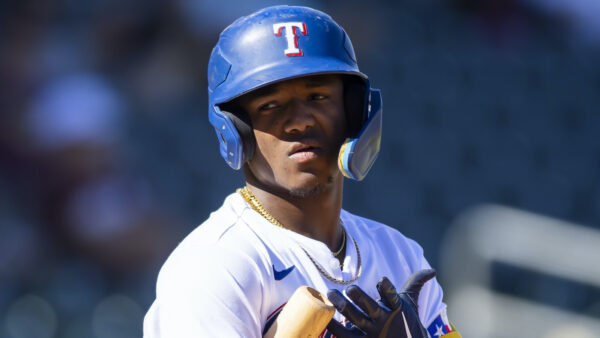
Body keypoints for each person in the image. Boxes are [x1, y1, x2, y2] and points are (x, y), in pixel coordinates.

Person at [144, 5, 460, 338]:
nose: (300, 120)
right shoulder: (215, 264)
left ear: (353, 112)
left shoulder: (400, 254)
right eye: (270, 105)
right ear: (235, 130)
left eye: (317, 96)